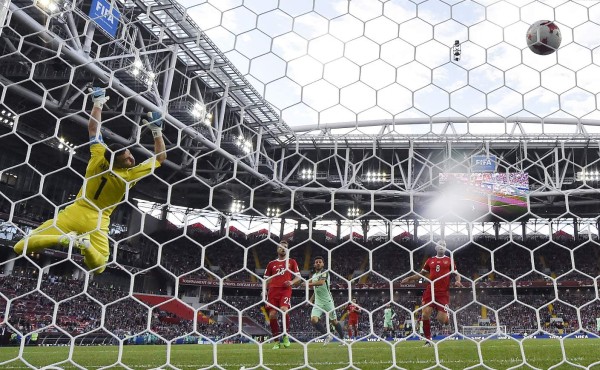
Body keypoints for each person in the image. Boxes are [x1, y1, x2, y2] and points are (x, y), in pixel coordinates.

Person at [14, 88, 167, 274]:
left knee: (20, 247)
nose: (132, 160)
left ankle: (61, 238)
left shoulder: (97, 157)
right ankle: (85, 246)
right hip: (98, 221)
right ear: (116, 162)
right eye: (127, 159)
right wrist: (157, 132)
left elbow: (93, 128)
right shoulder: (129, 175)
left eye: (130, 155)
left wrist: (97, 103)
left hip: (73, 213)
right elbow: (160, 158)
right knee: (100, 266)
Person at [401, 240, 463, 345]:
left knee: (441, 320)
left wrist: (458, 280)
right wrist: (410, 278)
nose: (441, 246)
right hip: (430, 291)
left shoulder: (449, 260)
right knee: (425, 315)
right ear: (435, 248)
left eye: (444, 245)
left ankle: (447, 318)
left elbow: (457, 274)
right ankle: (428, 340)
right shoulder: (430, 261)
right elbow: (422, 274)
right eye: (440, 245)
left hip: (443, 293)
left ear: (446, 248)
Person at [263, 240, 301, 349]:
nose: (283, 248)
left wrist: (292, 282)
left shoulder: (292, 262)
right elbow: (266, 279)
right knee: (272, 315)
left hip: (285, 289)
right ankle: (276, 341)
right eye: (281, 246)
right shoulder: (271, 264)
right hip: (273, 291)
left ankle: (285, 335)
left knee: (284, 310)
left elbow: (298, 277)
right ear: (277, 249)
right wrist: (264, 290)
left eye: (285, 246)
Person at [307, 256, 345, 345]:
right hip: (318, 302)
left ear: (323, 264)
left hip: (328, 301)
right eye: (316, 262)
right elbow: (316, 289)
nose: (318, 263)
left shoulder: (325, 272)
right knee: (313, 320)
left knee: (334, 321)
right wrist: (311, 299)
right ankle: (327, 335)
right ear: (314, 264)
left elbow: (321, 283)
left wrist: (308, 283)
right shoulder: (314, 276)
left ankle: (343, 339)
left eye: (320, 262)